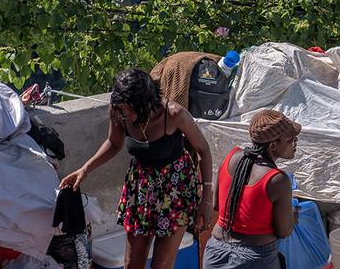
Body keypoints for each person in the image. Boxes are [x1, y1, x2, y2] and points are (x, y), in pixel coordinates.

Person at [60, 69, 214, 269]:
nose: (126, 115)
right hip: (141, 188)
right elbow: (114, 143)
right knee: (132, 264)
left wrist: (207, 199)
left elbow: (203, 149)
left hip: (176, 190)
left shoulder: (174, 114)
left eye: (130, 110)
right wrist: (85, 169)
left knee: (162, 265)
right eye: (122, 110)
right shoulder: (118, 111)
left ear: (147, 103)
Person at [204, 109, 302, 269]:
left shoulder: (231, 157)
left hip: (215, 253)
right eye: (291, 139)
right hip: (255, 259)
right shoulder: (277, 180)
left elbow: (218, 206)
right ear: (273, 145)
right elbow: (283, 231)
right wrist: (291, 218)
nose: (296, 142)